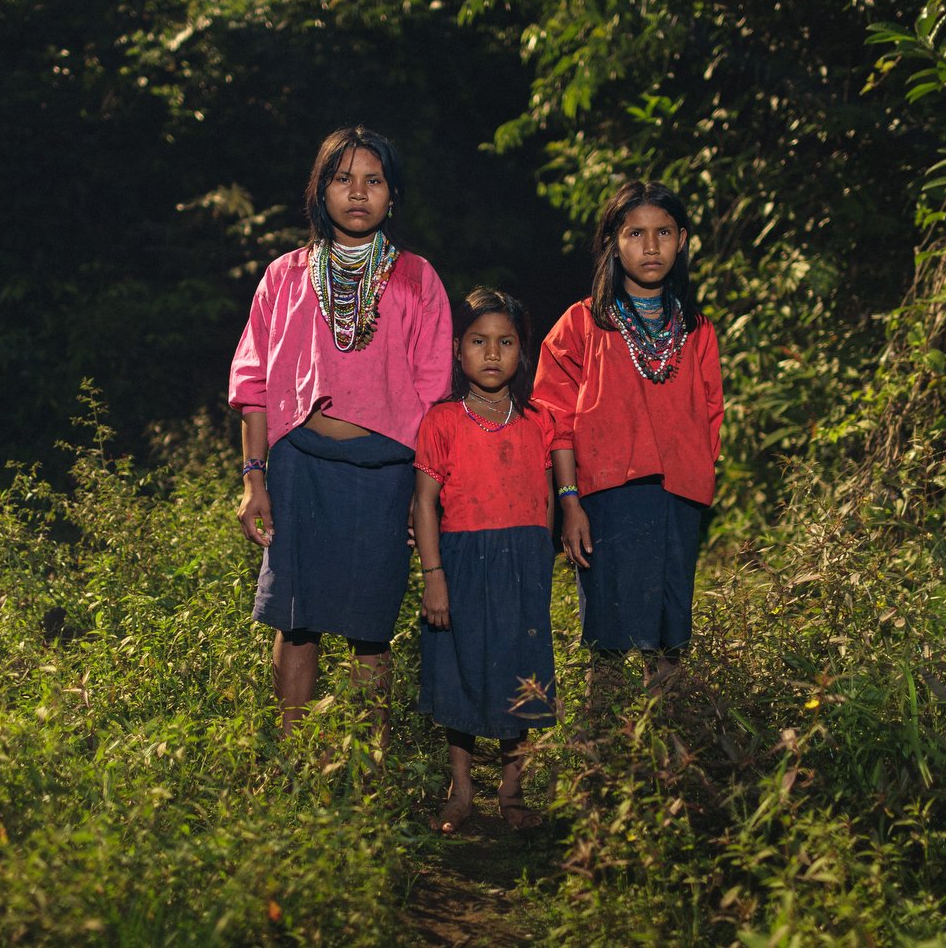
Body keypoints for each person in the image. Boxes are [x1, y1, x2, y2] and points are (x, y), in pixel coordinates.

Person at [228, 126, 452, 741]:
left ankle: (371, 768)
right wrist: (254, 480)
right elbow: (253, 382)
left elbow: (435, 397)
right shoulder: (284, 276)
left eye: (373, 180)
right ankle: (295, 767)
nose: (358, 193)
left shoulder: (417, 279)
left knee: (370, 626)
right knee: (295, 621)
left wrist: (424, 494)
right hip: (300, 465)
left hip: (386, 474)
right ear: (319, 191)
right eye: (342, 178)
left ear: (392, 194)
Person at [532, 181, 723, 698]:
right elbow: (555, 421)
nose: (652, 246)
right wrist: (570, 503)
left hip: (678, 499)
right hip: (607, 500)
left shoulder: (697, 331)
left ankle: (666, 761)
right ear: (614, 242)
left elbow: (711, 417)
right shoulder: (581, 324)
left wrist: (690, 482)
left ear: (682, 240)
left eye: (663, 232)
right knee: (609, 644)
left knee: (669, 642)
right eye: (636, 233)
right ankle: (601, 762)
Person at [411, 288, 556, 834]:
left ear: (523, 352)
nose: (491, 353)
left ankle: (512, 793)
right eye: (478, 341)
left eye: (505, 342)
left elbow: (544, 501)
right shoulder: (442, 420)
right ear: (456, 349)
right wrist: (434, 577)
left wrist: (540, 561)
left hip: (522, 561)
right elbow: (423, 501)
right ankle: (461, 789)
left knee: (523, 671)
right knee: (461, 670)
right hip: (462, 560)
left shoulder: (536, 423)